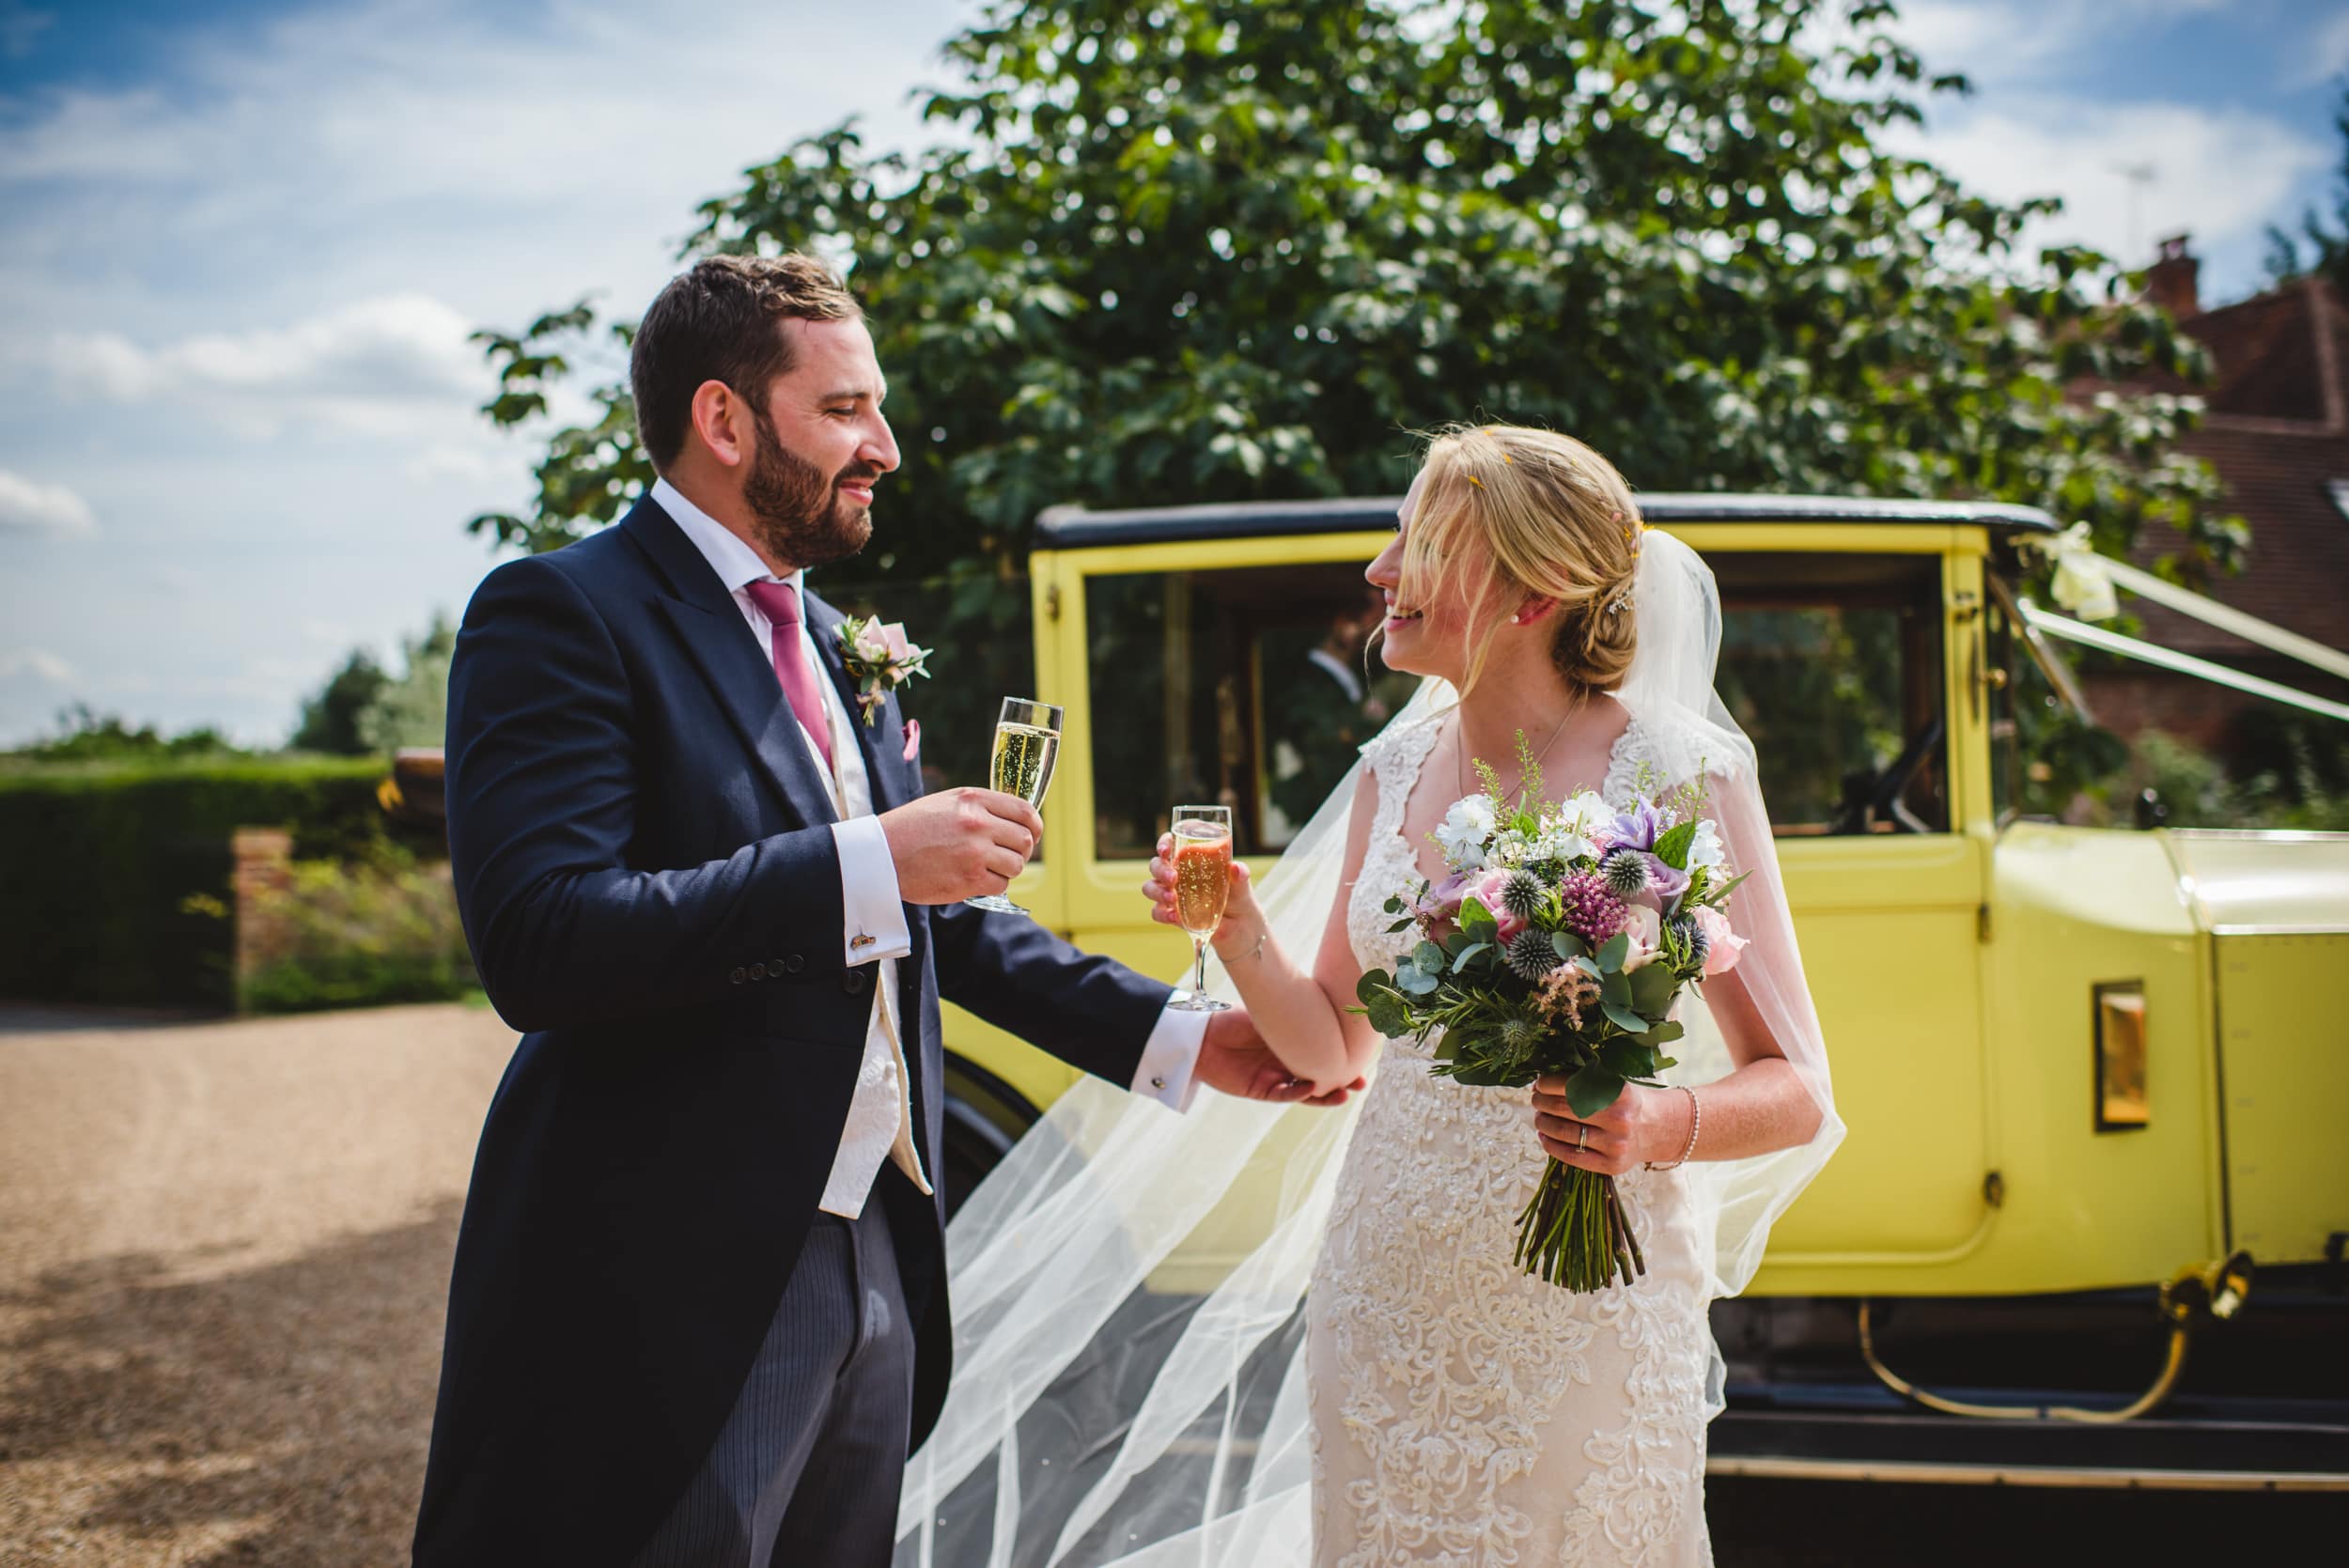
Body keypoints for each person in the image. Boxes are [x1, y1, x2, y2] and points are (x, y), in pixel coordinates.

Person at [410, 253, 1358, 1568]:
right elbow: (548, 938)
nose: (887, 448)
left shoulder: (841, 639)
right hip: (672, 1268)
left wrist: (1179, 1037)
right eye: (847, 409)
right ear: (725, 420)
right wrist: (866, 857)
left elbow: (936, 918)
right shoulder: (562, 613)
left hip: (875, 1248)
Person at [900, 425, 1840, 1565]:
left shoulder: (1682, 769)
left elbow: (1797, 1090)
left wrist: (1651, 1124)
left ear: (1530, 591)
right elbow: (1334, 1049)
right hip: (1388, 1275)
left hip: (1585, 1295)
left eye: (1417, 543)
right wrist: (1239, 925)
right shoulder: (1395, 770)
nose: (1377, 573)